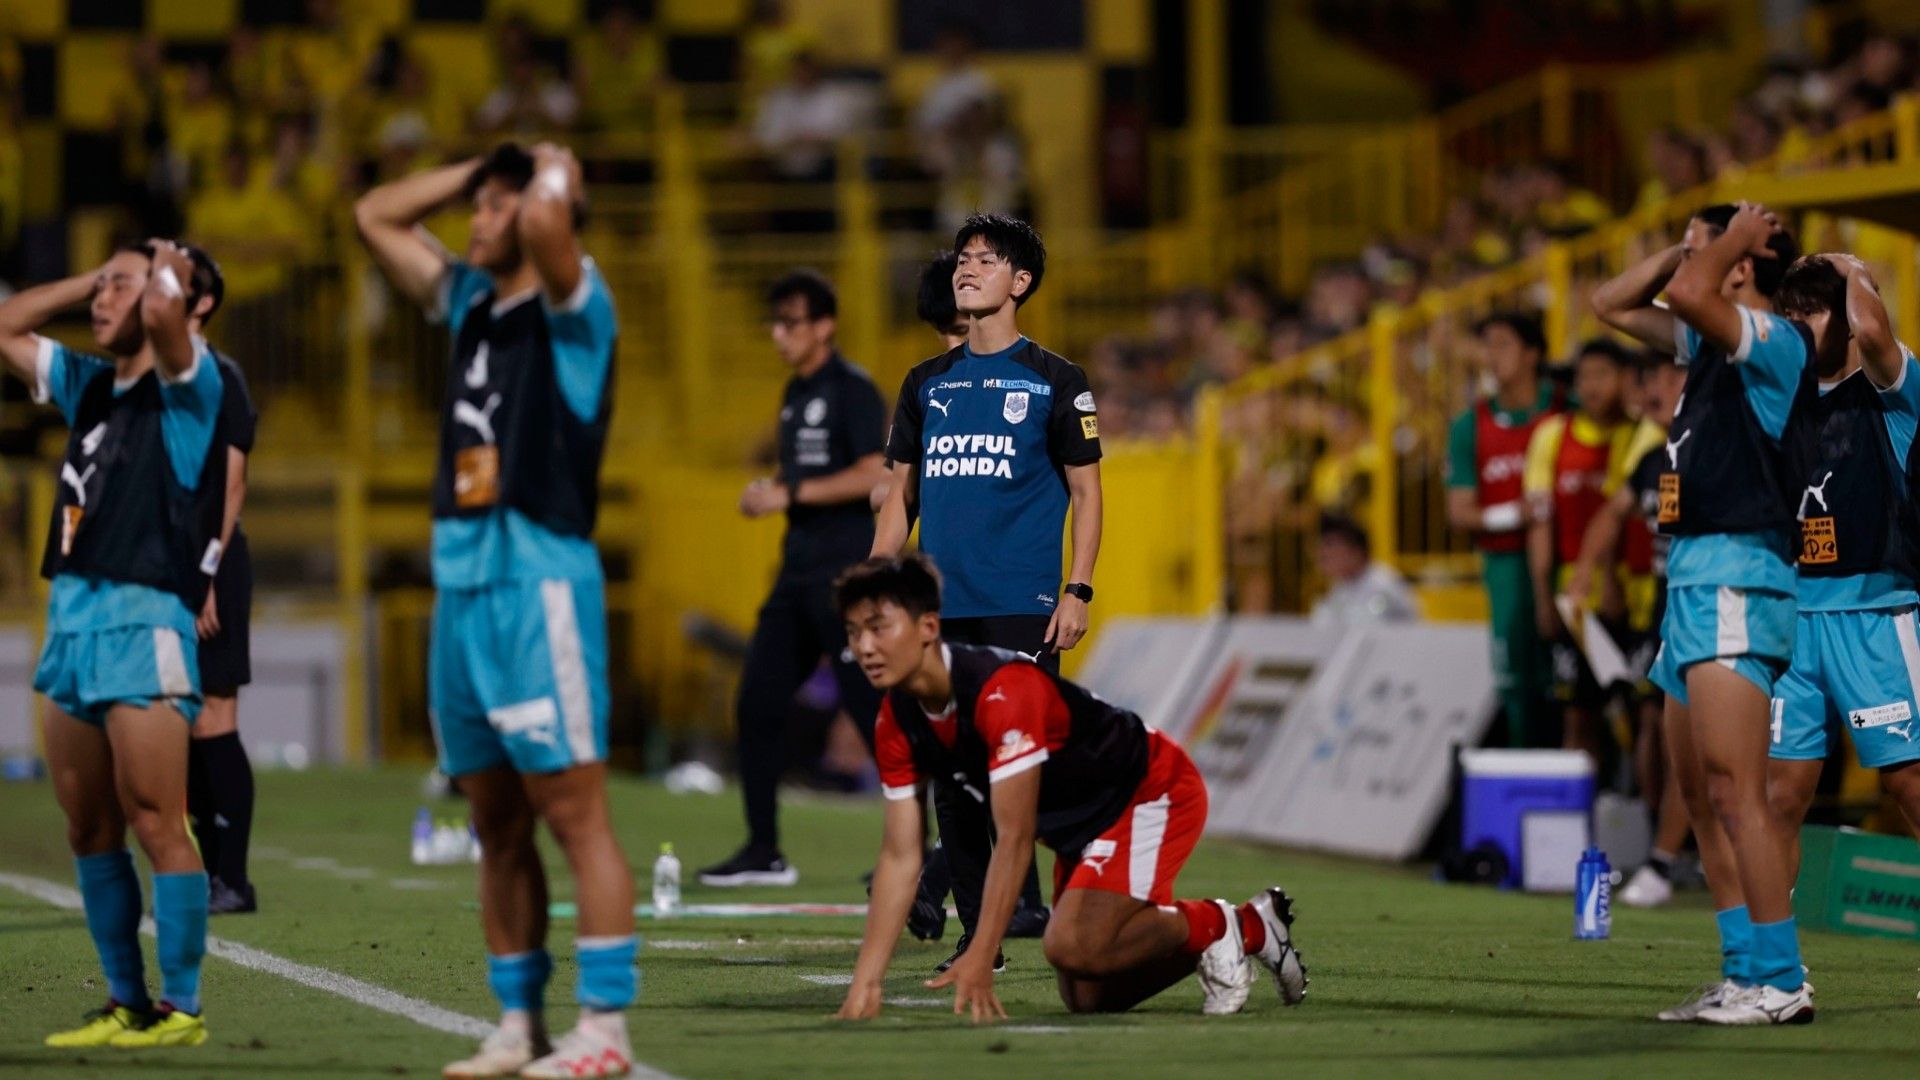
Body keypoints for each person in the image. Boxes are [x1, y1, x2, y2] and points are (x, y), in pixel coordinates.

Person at [354, 142, 637, 1078]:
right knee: (496, 820)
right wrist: (481, 166)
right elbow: (376, 216)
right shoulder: (471, 301)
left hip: (541, 580)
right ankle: (520, 1024)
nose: (471, 222)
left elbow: (553, 222)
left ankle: (604, 1032)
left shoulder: (576, 305)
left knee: (576, 814)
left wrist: (555, 172)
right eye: (474, 208)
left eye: (490, 209)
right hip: (463, 583)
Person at [831, 554, 1308, 1021]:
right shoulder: (897, 719)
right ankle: (1236, 928)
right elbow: (899, 857)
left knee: (1072, 945)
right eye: (854, 633)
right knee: (1087, 995)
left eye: (879, 627)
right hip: (1082, 826)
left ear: (928, 627)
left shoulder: (1001, 691)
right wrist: (866, 980)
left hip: (1149, 789)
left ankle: (1228, 925)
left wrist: (980, 954)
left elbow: (1014, 840)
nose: (865, 647)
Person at [0, 240, 225, 1049]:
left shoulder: (192, 388)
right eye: (100, 289)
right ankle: (125, 1001)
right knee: (87, 826)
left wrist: (157, 277)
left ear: (169, 300)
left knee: (157, 817)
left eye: (119, 287)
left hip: (145, 620)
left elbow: (170, 316)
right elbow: (5, 325)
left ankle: (184, 1008)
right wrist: (90, 281)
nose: (102, 300)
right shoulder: (89, 386)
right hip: (74, 619)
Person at [1593, 201, 1813, 1025]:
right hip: (1690, 580)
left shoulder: (1775, 340)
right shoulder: (1710, 344)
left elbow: (1690, 293)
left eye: (1704, 242)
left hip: (1738, 574)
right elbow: (1608, 306)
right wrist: (1689, 246)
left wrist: (1716, 248)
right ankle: (1746, 971)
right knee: (1700, 792)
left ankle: (1785, 981)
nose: (1688, 254)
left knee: (1735, 789)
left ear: (1744, 261)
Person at [872, 213, 1103, 968]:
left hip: (1022, 604)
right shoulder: (924, 384)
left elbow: (1087, 492)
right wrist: (880, 584)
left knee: (1017, 769)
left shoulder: (1056, 380)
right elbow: (900, 498)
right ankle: (985, 937)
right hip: (944, 607)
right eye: (963, 259)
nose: (967, 269)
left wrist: (1078, 590)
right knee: (952, 776)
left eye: (986, 260)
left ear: (1021, 282)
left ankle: (1097, 896)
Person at [699, 269, 888, 887]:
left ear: (826, 326)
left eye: (793, 322)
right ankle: (762, 848)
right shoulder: (793, 392)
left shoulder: (853, 390)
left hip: (845, 577)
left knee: (873, 716)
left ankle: (919, 855)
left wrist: (788, 492)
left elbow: (873, 474)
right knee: (756, 702)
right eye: (775, 323)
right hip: (797, 574)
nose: (781, 334)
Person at [1765, 254, 1920, 887]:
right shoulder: (1779, 398)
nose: (1800, 327)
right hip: (1793, 624)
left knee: (1908, 785)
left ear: (1849, 318)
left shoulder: (1893, 394)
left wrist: (1851, 267)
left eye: (1815, 312)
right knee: (1778, 799)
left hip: (1876, 619)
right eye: (1790, 315)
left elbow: (1878, 335)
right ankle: (1773, 976)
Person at [1568, 353, 1693, 908]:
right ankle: (1665, 852)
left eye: (1671, 377)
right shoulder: (1652, 461)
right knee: (1653, 726)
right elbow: (1610, 515)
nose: (1654, 388)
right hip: (1665, 613)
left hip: (1711, 612)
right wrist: (1587, 572)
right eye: (1650, 378)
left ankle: (1675, 858)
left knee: (1686, 739)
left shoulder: (1717, 449)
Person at [177, 244, 261, 916]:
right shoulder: (154, 374)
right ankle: (200, 872)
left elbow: (232, 485)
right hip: (161, 565)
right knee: (171, 723)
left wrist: (206, 573)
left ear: (201, 303)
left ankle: (229, 876)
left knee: (213, 718)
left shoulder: (220, 376)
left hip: (211, 562)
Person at [1446, 311, 1562, 748]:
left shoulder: (1562, 409)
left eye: (1503, 344)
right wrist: (1517, 514)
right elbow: (1459, 511)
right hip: (1506, 564)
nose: (1491, 357)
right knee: (1517, 677)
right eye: (1486, 346)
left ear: (1533, 354)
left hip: (1566, 559)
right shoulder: (1469, 425)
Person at [1523, 338, 1634, 764]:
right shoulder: (1552, 436)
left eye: (1602, 375)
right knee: (1578, 714)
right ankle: (1578, 819)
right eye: (1584, 376)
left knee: (1639, 714)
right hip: (1574, 600)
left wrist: (1611, 581)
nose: (1591, 387)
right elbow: (1540, 522)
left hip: (1631, 595)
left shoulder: (1638, 434)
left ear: (1625, 380)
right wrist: (1543, 596)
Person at [1308, 513, 1416, 626]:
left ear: (1356, 551)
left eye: (1329, 545)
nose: (1322, 552)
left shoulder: (1383, 585)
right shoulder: (1340, 587)